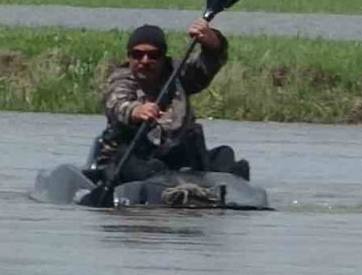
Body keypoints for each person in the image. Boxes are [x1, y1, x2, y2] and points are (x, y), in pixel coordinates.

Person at [88, 21, 249, 184]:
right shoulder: (121, 79)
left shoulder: (177, 73)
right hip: (131, 158)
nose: (145, 60)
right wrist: (136, 111)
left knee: (224, 157)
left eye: (153, 55)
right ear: (129, 56)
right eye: (137, 55)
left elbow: (205, 66)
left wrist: (213, 45)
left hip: (175, 157)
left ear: (163, 57)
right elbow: (117, 103)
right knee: (147, 167)